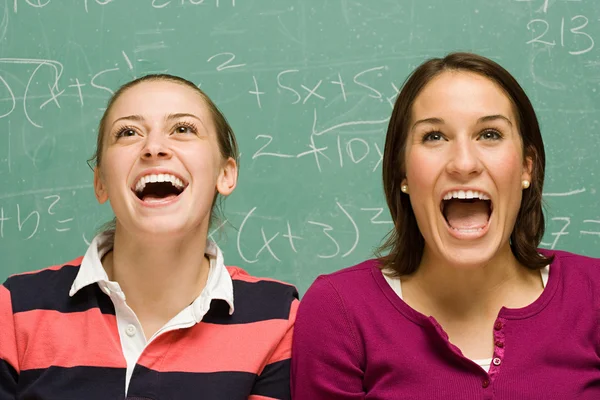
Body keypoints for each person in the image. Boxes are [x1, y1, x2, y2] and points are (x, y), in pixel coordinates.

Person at [291, 53, 600, 399]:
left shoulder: (593, 294)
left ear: (527, 167)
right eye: (435, 137)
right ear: (402, 173)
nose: (464, 163)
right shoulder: (339, 311)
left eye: (490, 134)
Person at [0, 74, 298, 400]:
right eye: (128, 133)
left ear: (225, 174)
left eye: (183, 129)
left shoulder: (278, 319)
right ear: (100, 182)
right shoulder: (14, 309)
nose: (154, 148)